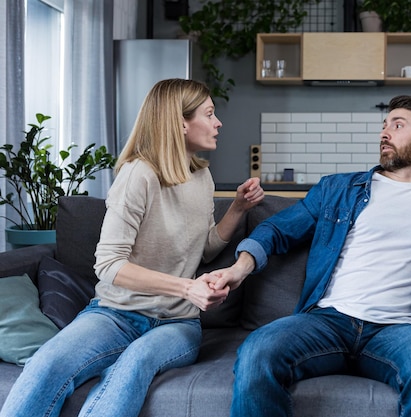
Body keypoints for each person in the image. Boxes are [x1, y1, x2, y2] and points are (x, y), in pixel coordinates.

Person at [208, 95, 411, 417]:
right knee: (257, 351)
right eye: (384, 125)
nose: (384, 133)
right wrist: (239, 269)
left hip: (398, 330)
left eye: (398, 125)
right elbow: (277, 230)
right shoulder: (338, 189)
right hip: (327, 321)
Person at [0, 78, 264, 417]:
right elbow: (108, 264)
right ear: (180, 122)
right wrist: (187, 287)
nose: (218, 123)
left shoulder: (201, 177)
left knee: (132, 365)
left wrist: (238, 207)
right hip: (114, 314)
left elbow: (203, 249)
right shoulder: (138, 175)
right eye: (209, 114)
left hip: (177, 325)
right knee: (47, 364)